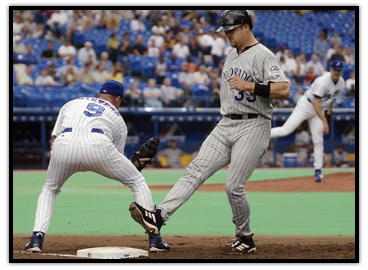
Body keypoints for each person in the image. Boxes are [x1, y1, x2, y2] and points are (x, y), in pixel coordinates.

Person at [128, 10, 290, 254]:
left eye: (231, 30)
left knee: (234, 186)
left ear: (246, 26)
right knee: (194, 170)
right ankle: (159, 216)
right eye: (225, 31)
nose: (227, 35)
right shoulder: (230, 55)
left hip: (254, 123)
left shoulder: (264, 55)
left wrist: (249, 85)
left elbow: (284, 89)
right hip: (226, 123)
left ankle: (245, 238)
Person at [24, 80, 170, 253]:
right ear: (117, 99)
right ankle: (155, 240)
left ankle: (36, 240)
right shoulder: (116, 116)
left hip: (64, 144)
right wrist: (135, 165)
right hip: (98, 145)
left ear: (100, 94)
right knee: (136, 181)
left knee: (50, 189)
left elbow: (53, 141)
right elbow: (117, 160)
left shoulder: (72, 103)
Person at [270, 60, 345, 181]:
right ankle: (261, 135)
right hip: (307, 105)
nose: (337, 72)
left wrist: (329, 110)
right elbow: (315, 103)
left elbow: (332, 98)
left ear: (341, 71)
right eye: (335, 69)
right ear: (330, 69)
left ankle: (318, 171)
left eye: (339, 70)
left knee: (318, 140)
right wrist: (325, 120)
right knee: (285, 130)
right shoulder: (322, 81)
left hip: (318, 109)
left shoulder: (341, 83)